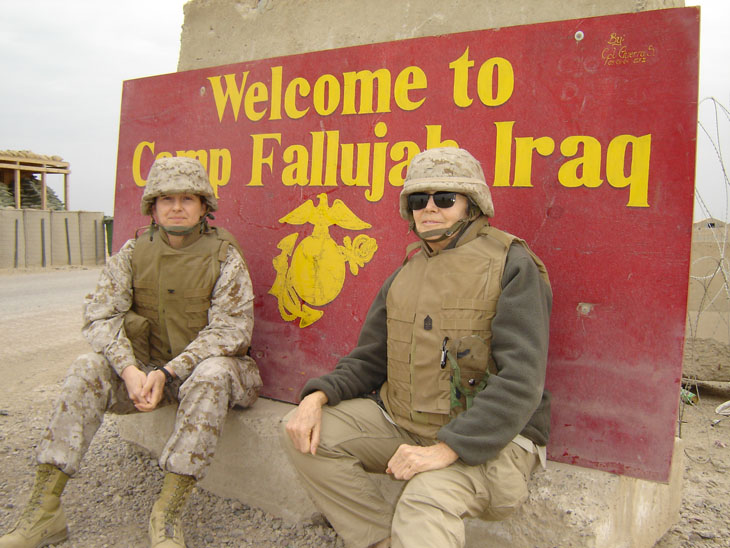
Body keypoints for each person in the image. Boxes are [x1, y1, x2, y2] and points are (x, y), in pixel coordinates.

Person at [282, 147, 552, 548]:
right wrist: (316, 396)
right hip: (405, 425)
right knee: (305, 435)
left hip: (490, 444)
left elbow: (521, 381)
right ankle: (382, 540)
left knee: (423, 500)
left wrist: (449, 448)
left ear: (472, 206)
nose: (429, 208)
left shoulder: (512, 264)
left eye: (444, 199)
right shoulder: (407, 270)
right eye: (418, 199)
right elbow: (371, 358)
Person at [0, 157, 262, 548]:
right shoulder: (132, 252)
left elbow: (232, 330)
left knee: (212, 373)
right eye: (166, 199)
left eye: (187, 198)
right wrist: (128, 370)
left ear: (204, 206)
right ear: (152, 207)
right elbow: (100, 316)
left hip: (204, 378)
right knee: (87, 366)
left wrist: (169, 372)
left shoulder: (225, 256)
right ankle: (44, 511)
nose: (176, 207)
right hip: (145, 376)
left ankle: (168, 515)